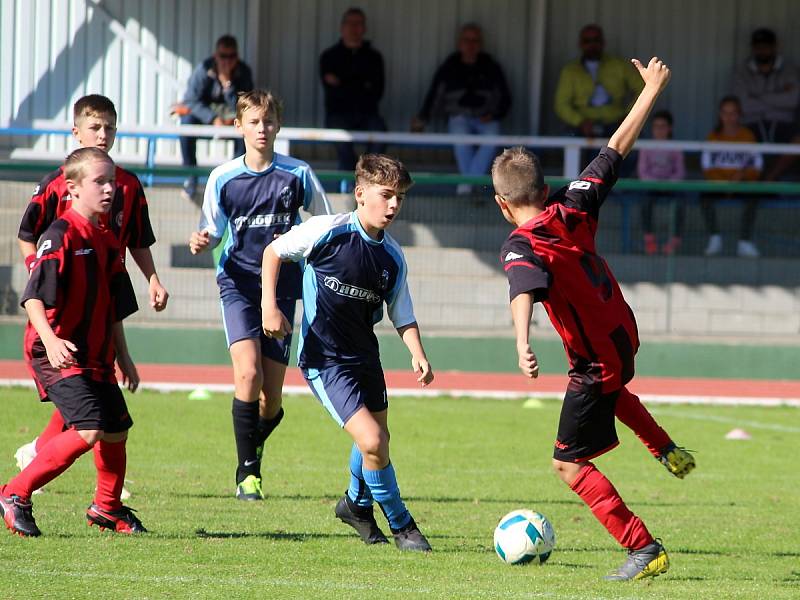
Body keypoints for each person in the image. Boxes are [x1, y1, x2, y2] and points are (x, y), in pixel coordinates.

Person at [492, 57, 695, 581]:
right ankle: (665, 448)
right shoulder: (575, 201)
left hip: (595, 358)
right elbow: (616, 146)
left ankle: (643, 547)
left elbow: (522, 289)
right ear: (544, 188)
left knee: (567, 463)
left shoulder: (520, 243)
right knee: (610, 384)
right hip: (623, 337)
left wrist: (520, 343)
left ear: (502, 202)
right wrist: (650, 90)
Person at [261, 154, 434, 552]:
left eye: (400, 199)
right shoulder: (327, 230)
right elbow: (274, 253)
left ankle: (355, 505)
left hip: (365, 358)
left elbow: (401, 312)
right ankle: (401, 523)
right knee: (372, 441)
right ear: (360, 194)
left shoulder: (392, 256)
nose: (393, 206)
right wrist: (269, 305)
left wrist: (417, 353)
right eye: (386, 195)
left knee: (378, 441)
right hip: (324, 359)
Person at [14, 94, 168, 497]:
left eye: (109, 128)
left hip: (100, 314)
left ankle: (106, 504)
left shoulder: (127, 191)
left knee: (110, 422)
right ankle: (18, 487)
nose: (102, 134)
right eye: (95, 127)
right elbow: (29, 238)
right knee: (88, 420)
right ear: (76, 130)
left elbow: (136, 242)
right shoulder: (59, 204)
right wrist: (44, 280)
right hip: (60, 319)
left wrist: (151, 278)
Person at [188, 90, 330, 501]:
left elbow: (323, 223)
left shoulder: (297, 173)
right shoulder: (223, 178)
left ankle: (254, 440)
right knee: (246, 373)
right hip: (238, 284)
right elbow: (213, 230)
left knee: (271, 399)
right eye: (253, 122)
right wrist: (202, 240)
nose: (261, 129)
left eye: (268, 122)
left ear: (278, 125)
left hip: (283, 287)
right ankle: (247, 472)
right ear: (238, 127)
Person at [0, 147, 145, 537]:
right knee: (89, 428)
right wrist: (50, 341)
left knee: (115, 428)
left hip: (96, 353)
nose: (110, 189)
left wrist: (124, 356)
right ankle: (15, 493)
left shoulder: (108, 239)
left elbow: (115, 307)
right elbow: (32, 298)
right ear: (72, 188)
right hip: (56, 352)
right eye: (99, 181)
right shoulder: (60, 235)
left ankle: (107, 508)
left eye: (112, 181)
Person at [411, 23, 511, 194]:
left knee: (493, 137)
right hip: (459, 117)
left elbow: (506, 97)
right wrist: (423, 118)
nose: (471, 44)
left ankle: (465, 185)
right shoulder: (450, 66)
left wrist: (494, 114)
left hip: (486, 118)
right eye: (467, 40)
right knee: (461, 137)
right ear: (459, 42)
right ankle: (473, 185)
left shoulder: (490, 66)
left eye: (475, 40)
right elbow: (434, 95)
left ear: (481, 43)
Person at [178, 34, 254, 200]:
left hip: (232, 118)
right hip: (206, 118)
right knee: (186, 123)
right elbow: (190, 100)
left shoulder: (244, 72)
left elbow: (246, 105)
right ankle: (191, 178)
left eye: (231, 56)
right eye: (222, 56)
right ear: (215, 56)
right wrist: (212, 118)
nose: (226, 61)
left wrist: (227, 85)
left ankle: (235, 179)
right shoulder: (204, 69)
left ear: (237, 57)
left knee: (246, 131)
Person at [319, 7, 387, 173]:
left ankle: (368, 173)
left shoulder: (374, 57)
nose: (354, 28)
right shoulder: (329, 56)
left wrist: (342, 82)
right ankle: (351, 177)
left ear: (364, 28)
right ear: (342, 27)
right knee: (341, 139)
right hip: (338, 114)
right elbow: (332, 92)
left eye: (358, 24)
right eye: (350, 23)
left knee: (380, 134)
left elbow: (377, 92)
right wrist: (360, 84)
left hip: (368, 114)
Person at [732, 27, 800, 181]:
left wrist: (757, 97)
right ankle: (752, 189)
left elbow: (793, 100)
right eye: (758, 47)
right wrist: (778, 97)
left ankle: (769, 179)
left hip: (784, 124)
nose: (762, 51)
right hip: (752, 124)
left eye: (766, 46)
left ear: (774, 47)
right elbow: (744, 105)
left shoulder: (788, 69)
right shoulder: (742, 71)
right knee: (737, 140)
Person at [554, 24, 643, 138]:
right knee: (566, 139)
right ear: (580, 44)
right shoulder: (570, 70)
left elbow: (643, 88)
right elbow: (561, 104)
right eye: (587, 41)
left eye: (596, 40)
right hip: (582, 124)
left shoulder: (618, 65)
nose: (592, 45)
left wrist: (628, 116)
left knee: (637, 140)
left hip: (615, 122)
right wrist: (580, 121)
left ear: (603, 43)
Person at [700, 96, 763, 257]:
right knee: (704, 196)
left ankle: (745, 242)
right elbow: (707, 167)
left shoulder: (747, 136)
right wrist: (724, 183)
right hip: (719, 185)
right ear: (720, 115)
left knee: (754, 196)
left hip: (742, 184)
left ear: (739, 114)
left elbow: (757, 165)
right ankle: (715, 238)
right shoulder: (713, 137)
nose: (729, 117)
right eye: (725, 113)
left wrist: (740, 177)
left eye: (733, 113)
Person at [637, 110, 686, 255]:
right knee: (645, 202)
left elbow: (680, 172)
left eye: (663, 126)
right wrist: (655, 183)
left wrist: (668, 183)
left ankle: (675, 239)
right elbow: (642, 172)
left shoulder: (676, 147)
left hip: (671, 186)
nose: (659, 130)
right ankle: (649, 238)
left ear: (669, 128)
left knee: (680, 202)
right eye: (656, 126)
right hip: (651, 186)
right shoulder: (646, 147)